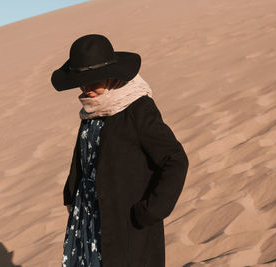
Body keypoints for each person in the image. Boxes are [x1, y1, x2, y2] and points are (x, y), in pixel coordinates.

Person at [51, 34, 189, 267]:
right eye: (81, 81)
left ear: (110, 76)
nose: (86, 88)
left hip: (126, 223)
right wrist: (71, 195)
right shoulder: (93, 109)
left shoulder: (137, 108)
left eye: (92, 80)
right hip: (88, 221)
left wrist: (152, 210)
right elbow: (85, 156)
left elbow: (175, 159)